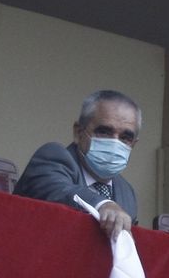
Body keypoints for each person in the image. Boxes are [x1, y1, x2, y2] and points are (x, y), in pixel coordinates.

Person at [14, 90, 140, 241]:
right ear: (78, 133)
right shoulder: (53, 157)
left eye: (125, 137)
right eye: (104, 132)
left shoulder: (127, 192)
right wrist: (103, 205)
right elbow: (58, 190)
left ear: (133, 145)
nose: (115, 143)